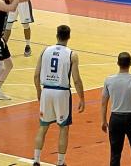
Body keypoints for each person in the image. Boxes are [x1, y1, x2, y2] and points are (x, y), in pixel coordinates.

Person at [33, 25, 85, 166]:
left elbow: (36, 75)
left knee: (43, 126)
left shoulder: (45, 51)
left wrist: (38, 90)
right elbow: (76, 80)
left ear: (56, 35)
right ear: (69, 36)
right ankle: (60, 162)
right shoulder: (71, 54)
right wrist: (82, 98)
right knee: (63, 128)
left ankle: (36, 160)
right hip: (61, 92)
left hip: (46, 91)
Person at [101, 52, 131, 166]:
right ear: (130, 63)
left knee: (115, 154)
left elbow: (103, 103)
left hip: (115, 118)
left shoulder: (109, 80)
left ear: (117, 63)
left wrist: (103, 120)